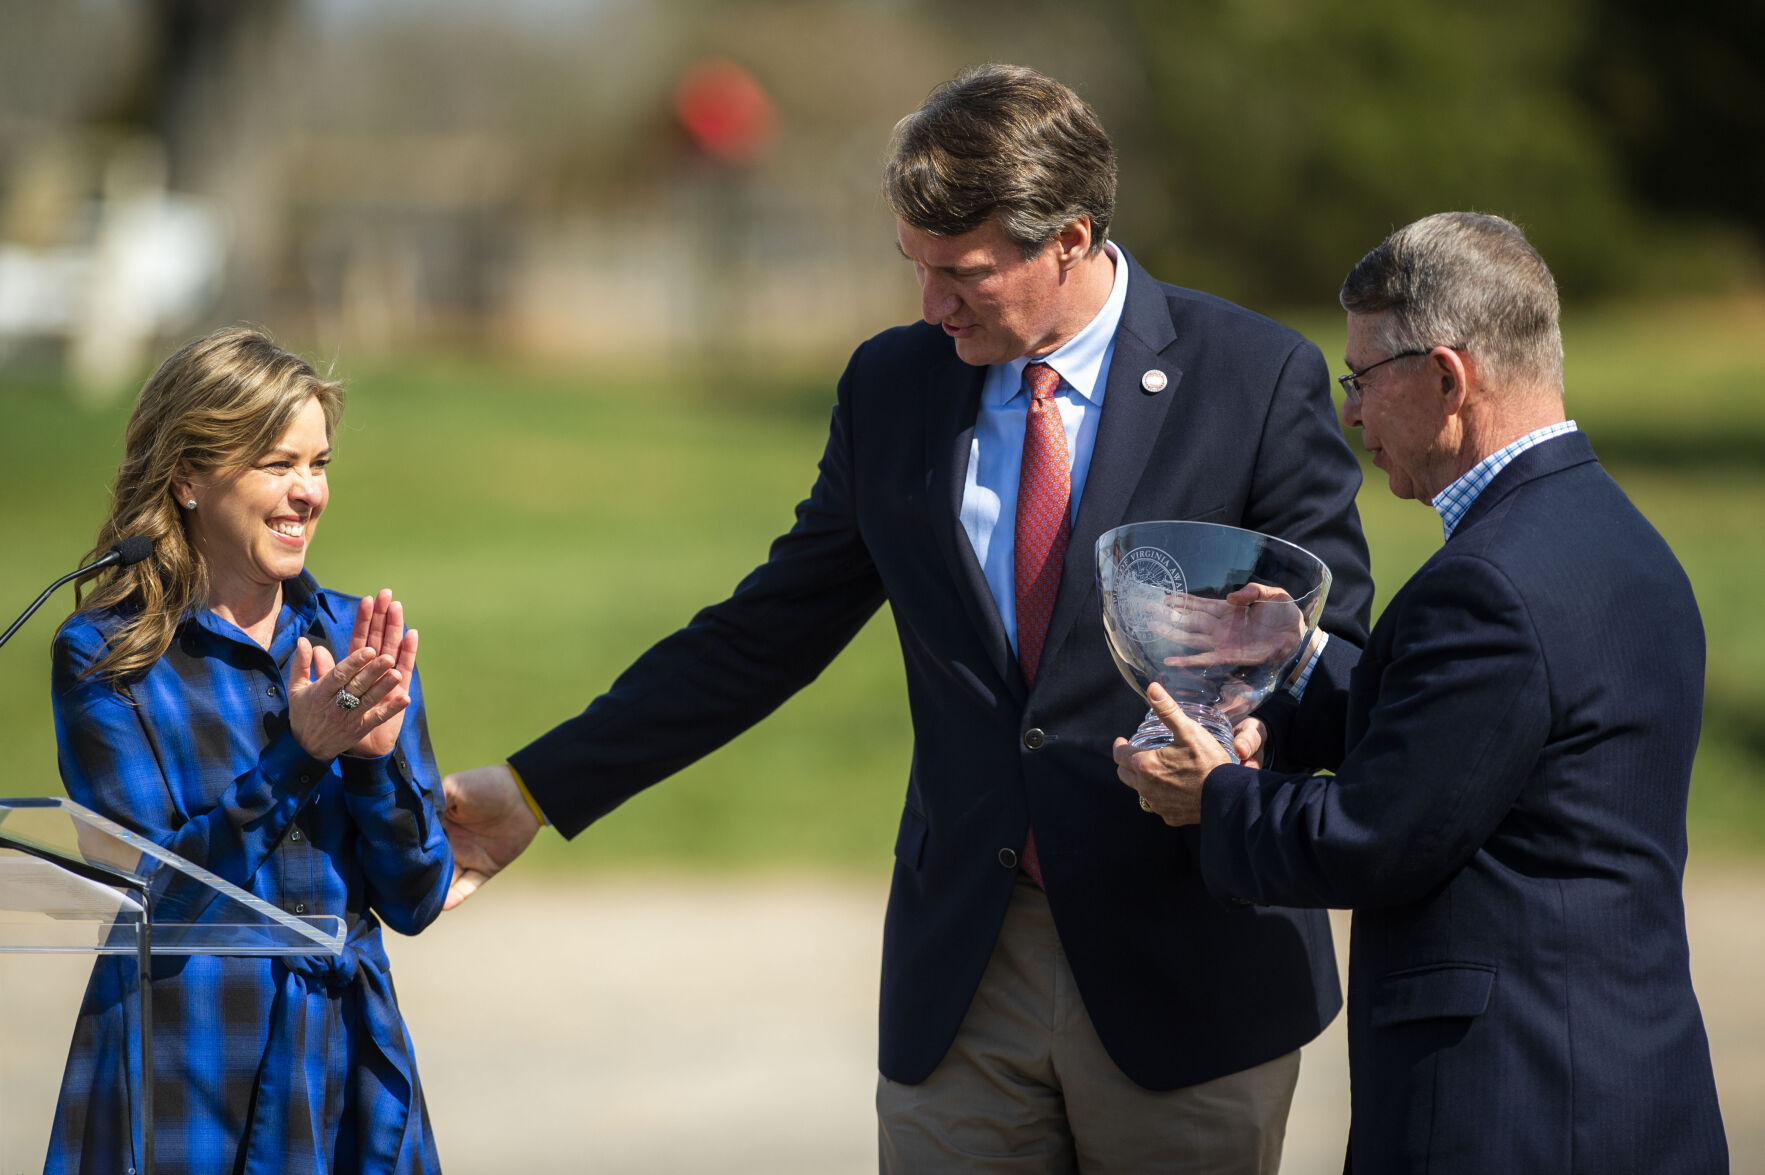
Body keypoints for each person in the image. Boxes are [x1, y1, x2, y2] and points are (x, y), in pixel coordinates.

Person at [445, 64, 1373, 1172]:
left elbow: (1334, 650)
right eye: (915, 268)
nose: (931, 307)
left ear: (1069, 237)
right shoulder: (894, 387)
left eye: (963, 274)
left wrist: (1245, 742)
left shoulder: (1253, 376)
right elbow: (765, 630)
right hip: (965, 971)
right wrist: (541, 787)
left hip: (1190, 964)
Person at [1114, 211, 1728, 1172]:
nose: (1349, 413)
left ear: (1446, 377)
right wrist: (1298, 654)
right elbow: (1481, 739)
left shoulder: (1485, 581)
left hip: (1507, 1104)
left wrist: (1215, 796)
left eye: (1362, 379)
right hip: (1622, 1082)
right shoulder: (1615, 538)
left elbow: (1378, 837)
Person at [46, 327, 451, 1174]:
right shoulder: (108, 655)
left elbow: (414, 899)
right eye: (278, 463)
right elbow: (158, 898)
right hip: (186, 1063)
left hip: (345, 1068)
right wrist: (300, 755)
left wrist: (374, 760)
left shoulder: (353, 637)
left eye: (320, 463)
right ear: (188, 476)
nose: (309, 493)